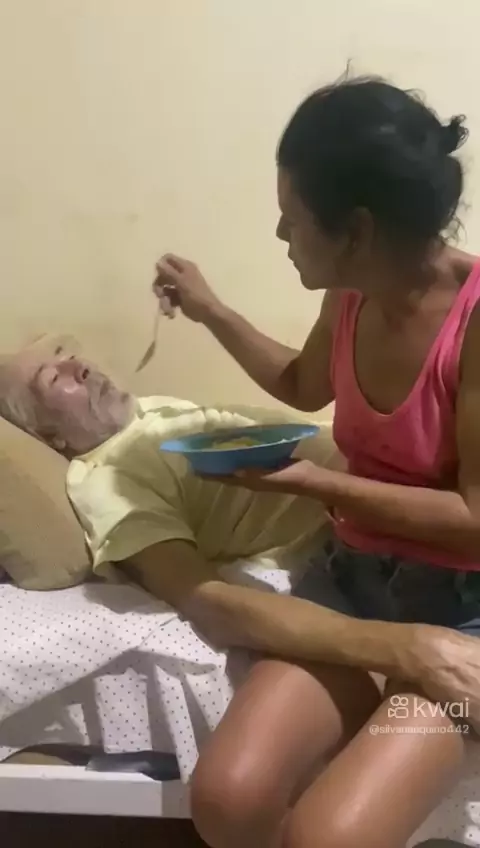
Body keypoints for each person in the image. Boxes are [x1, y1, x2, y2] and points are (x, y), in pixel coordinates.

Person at [153, 77, 480, 848]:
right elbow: (304, 384)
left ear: (356, 229)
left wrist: (312, 481)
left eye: (292, 217)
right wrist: (211, 310)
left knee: (328, 838)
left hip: (463, 607)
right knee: (228, 797)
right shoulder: (354, 290)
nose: (280, 232)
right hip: (351, 584)